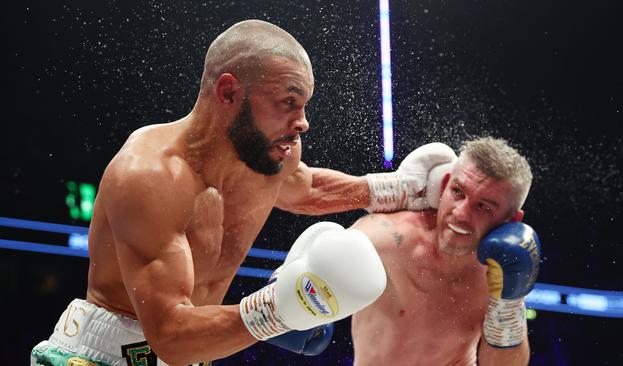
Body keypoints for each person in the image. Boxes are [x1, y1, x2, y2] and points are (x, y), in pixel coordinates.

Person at [30, 19, 458, 366]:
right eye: (289, 101)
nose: (303, 121)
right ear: (229, 91)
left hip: (195, 354)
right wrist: (280, 310)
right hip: (108, 353)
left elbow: (303, 187)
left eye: (305, 104)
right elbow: (170, 337)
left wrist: (399, 189)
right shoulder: (150, 175)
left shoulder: (271, 153)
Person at [350, 137, 541, 366]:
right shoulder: (386, 240)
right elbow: (308, 195)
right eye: (458, 192)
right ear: (445, 185)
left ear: (512, 220)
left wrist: (510, 303)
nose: (461, 213)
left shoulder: (496, 276)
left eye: (484, 207)